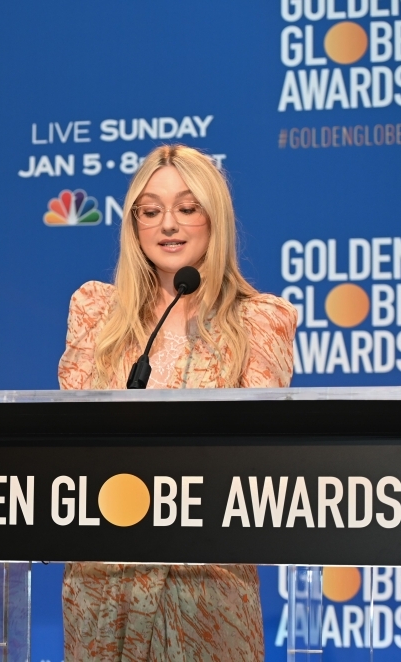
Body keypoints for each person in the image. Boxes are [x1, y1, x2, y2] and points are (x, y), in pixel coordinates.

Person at [57, 144, 298, 661]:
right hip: (104, 583)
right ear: (134, 223)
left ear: (215, 219)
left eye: (188, 208)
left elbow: (256, 458)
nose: (169, 224)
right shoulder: (96, 312)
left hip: (206, 585)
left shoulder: (260, 321)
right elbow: (72, 437)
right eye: (151, 210)